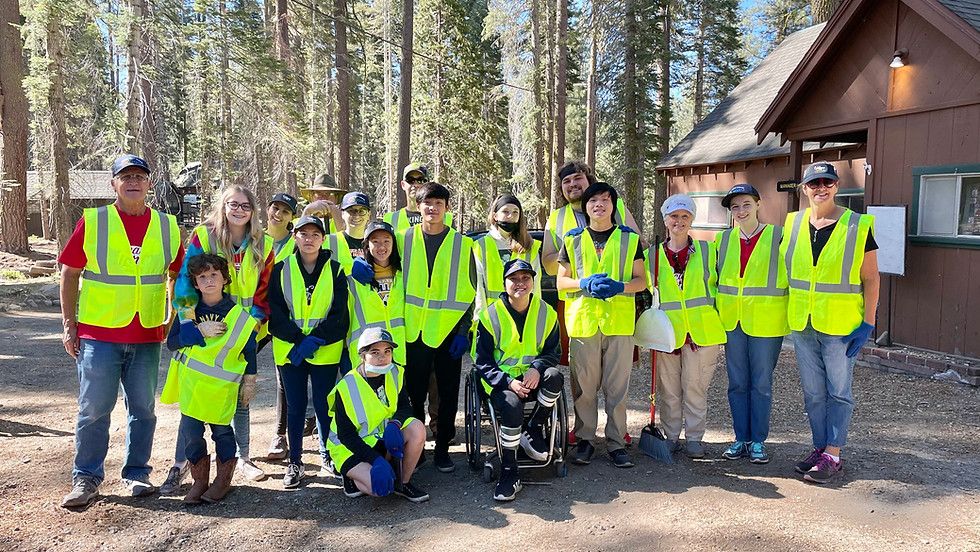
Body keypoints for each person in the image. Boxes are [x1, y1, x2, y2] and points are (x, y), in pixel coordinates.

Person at [58, 154, 184, 508]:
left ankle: (137, 474)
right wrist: (69, 325)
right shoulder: (94, 221)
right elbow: (69, 273)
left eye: (139, 176)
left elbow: (179, 274)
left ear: (149, 183)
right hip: (99, 335)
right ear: (113, 183)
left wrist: (172, 316)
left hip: (146, 335)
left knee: (143, 409)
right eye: (125, 176)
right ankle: (86, 478)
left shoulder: (166, 225)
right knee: (94, 409)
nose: (133, 182)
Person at [165, 185, 274, 489]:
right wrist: (188, 323)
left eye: (245, 206)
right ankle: (182, 462)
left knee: (239, 391)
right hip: (207, 323)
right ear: (222, 207)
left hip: (245, 328)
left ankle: (243, 457)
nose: (239, 210)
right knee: (196, 391)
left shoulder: (262, 243)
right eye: (232, 204)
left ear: (253, 211)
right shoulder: (205, 235)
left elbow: (267, 286)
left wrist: (255, 321)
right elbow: (187, 276)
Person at [782, 162, 879, 484]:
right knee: (813, 393)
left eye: (827, 182)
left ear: (837, 186)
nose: (820, 188)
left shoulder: (857, 225)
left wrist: (868, 322)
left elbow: (871, 277)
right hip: (803, 322)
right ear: (804, 188)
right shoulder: (793, 223)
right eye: (814, 183)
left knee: (838, 392)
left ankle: (833, 455)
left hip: (841, 326)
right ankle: (820, 447)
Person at [542, 161, 640, 447]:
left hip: (617, 307)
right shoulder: (557, 218)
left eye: (578, 179)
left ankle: (617, 435)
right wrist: (576, 267)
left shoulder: (614, 204)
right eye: (566, 182)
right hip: (579, 306)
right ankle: (584, 434)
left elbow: (636, 246)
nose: (573, 185)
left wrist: (616, 279)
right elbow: (550, 264)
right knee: (582, 379)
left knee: (616, 382)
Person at [160, 254, 258, 504]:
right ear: (195, 283)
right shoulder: (187, 311)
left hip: (222, 389)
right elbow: (172, 343)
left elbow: (248, 349)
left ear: (225, 279)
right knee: (192, 434)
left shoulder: (239, 315)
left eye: (214, 274)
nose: (209, 280)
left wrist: (250, 380)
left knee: (223, 433)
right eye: (202, 277)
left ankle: (222, 481)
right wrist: (196, 332)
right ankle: (199, 481)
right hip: (192, 386)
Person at [398, 182, 475, 473]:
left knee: (446, 394)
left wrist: (463, 331)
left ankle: (442, 449)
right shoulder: (403, 238)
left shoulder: (463, 244)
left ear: (447, 208)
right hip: (412, 332)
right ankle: (416, 451)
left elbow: (472, 294)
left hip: (447, 333)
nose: (432, 208)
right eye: (427, 203)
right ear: (419, 206)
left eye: (438, 203)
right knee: (414, 395)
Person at [268, 216, 350, 488]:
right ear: (295, 237)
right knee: (296, 406)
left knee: (325, 404)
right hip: (291, 351)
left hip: (325, 350)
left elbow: (340, 316)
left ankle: (328, 455)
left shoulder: (336, 270)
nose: (309, 239)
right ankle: (296, 461)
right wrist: (297, 340)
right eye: (304, 234)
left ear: (323, 239)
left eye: (315, 234)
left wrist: (314, 340)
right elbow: (275, 313)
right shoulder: (281, 269)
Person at [474, 259, 562, 501]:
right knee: (512, 404)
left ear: (533, 282)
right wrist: (508, 382)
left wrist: (537, 367)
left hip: (533, 379)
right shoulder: (489, 315)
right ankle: (510, 472)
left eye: (525, 278)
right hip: (502, 384)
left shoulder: (547, 312)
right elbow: (482, 362)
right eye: (514, 278)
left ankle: (533, 428)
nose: (520, 283)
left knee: (555, 377)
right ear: (504, 283)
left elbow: (554, 352)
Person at [647, 194, 726, 459]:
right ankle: (671, 437)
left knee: (695, 388)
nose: (679, 221)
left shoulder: (707, 250)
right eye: (673, 216)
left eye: (684, 216)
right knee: (668, 389)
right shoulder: (652, 256)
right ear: (665, 220)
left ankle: (694, 438)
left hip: (702, 332)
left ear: (691, 219)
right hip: (666, 334)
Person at [714, 184, 789, 464]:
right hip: (732, 322)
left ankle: (757, 441)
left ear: (758, 204)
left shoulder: (779, 237)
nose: (741, 211)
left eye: (746, 204)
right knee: (736, 384)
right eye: (735, 207)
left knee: (760, 384)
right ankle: (740, 438)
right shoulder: (721, 241)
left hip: (767, 323)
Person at [327, 327, 429, 502]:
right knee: (378, 490)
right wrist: (376, 460)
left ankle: (403, 483)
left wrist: (395, 424)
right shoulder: (346, 387)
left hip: (380, 437)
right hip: (349, 447)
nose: (382, 357)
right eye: (375, 352)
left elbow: (405, 407)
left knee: (417, 427)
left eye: (387, 351)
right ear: (362, 355)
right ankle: (349, 475)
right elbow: (346, 436)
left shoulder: (395, 373)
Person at [262, 191, 317, 463]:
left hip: (286, 318)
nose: (278, 214)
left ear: (291, 218)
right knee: (242, 377)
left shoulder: (296, 244)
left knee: (285, 378)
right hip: (254, 317)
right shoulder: (255, 239)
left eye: (285, 211)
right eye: (275, 208)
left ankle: (280, 435)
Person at [346, 220, 406, 367]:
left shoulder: (403, 275)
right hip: (367, 353)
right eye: (375, 241)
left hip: (396, 350)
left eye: (386, 241)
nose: (381, 247)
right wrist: (353, 263)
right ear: (367, 245)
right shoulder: (355, 276)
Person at [473, 194, 542, 314]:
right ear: (495, 216)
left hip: (523, 313)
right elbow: (479, 287)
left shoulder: (529, 245)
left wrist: (535, 313)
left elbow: (535, 286)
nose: (511, 216)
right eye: (505, 211)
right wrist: (481, 318)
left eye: (515, 212)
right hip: (492, 314)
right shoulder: (481, 245)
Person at [383, 163, 453, 232]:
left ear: (428, 184)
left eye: (420, 180)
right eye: (410, 180)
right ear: (403, 185)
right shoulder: (391, 219)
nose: (415, 185)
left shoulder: (447, 218)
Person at [326, 191, 371, 274]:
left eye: (362, 211)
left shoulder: (376, 242)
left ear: (369, 214)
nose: (357, 216)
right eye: (351, 211)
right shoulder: (329, 241)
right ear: (342, 213)